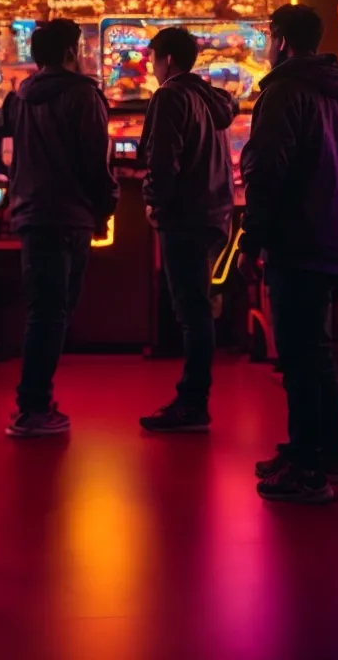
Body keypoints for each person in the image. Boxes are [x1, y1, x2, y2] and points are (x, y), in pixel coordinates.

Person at [239, 4, 338, 503]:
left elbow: (267, 173)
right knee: (315, 350)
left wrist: (251, 240)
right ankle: (327, 452)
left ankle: (308, 468)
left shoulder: (283, 93)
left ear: (280, 39)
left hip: (301, 238)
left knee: (299, 354)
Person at [0, 18, 117, 438]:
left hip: (30, 214)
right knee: (54, 314)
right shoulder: (84, 96)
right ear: (69, 53)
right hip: (71, 216)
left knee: (44, 311)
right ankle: (33, 407)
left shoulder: (18, 98)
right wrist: (105, 207)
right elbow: (96, 161)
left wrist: (17, 176)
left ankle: (35, 401)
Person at [137, 26, 238, 433]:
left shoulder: (171, 96)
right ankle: (193, 398)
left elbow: (163, 161)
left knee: (192, 312)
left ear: (170, 60)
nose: (151, 67)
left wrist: (153, 202)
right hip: (214, 214)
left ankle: (193, 404)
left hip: (185, 217)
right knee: (198, 308)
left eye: (154, 59)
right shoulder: (209, 99)